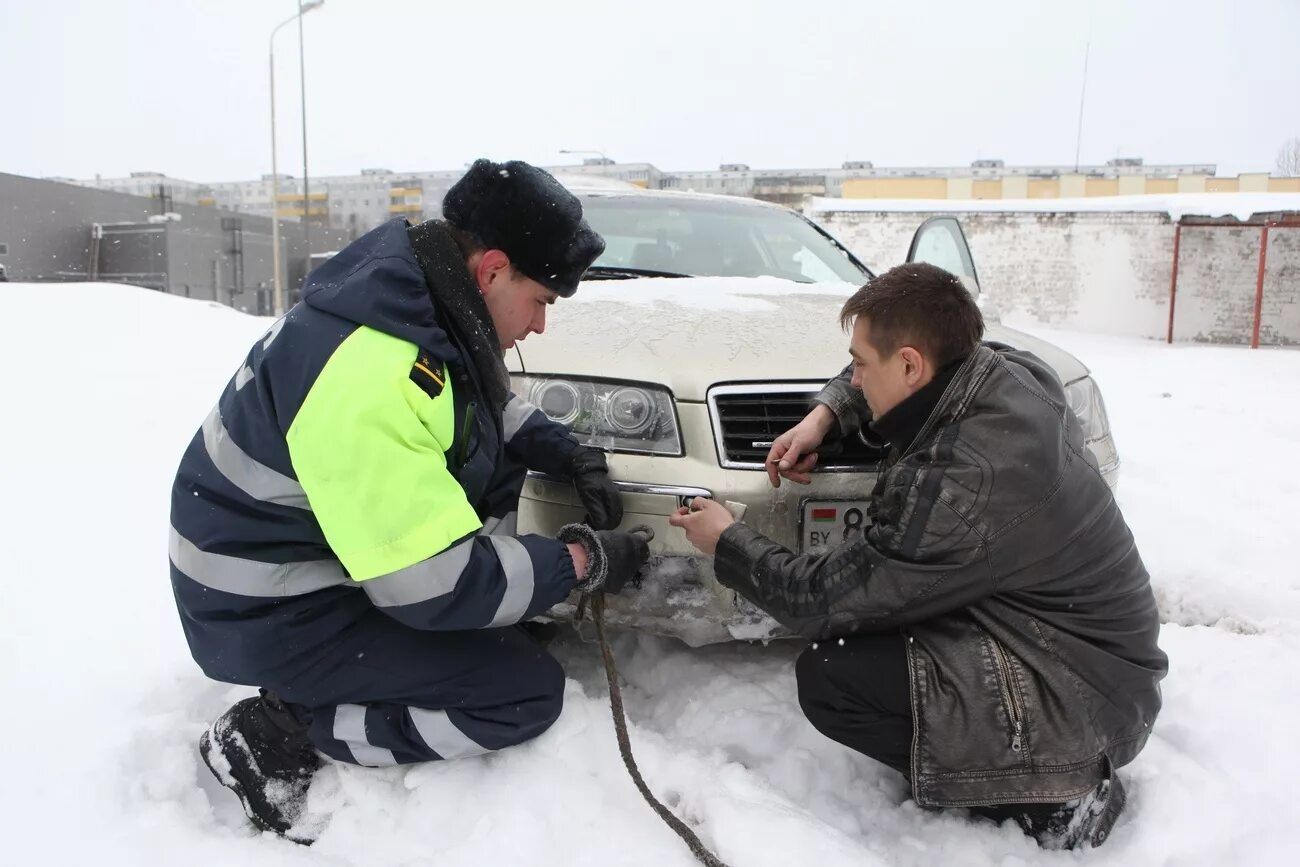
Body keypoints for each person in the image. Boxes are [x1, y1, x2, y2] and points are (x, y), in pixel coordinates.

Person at [170, 159, 651, 842]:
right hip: (263, 606)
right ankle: (282, 728)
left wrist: (566, 452)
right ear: (490, 270)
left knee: (500, 578)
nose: (541, 324)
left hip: (288, 560)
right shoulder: (375, 371)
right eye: (541, 299)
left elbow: (471, 409)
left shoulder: (413, 302)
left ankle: (321, 692)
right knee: (520, 692)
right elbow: (431, 588)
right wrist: (578, 560)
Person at [669, 263, 1167, 850]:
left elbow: (822, 599)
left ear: (909, 366)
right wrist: (823, 415)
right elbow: (890, 367)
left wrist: (726, 539)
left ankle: (1053, 800)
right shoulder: (1005, 373)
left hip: (1080, 702)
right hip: (1097, 659)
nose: (853, 378)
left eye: (860, 365)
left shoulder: (963, 484)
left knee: (836, 676)